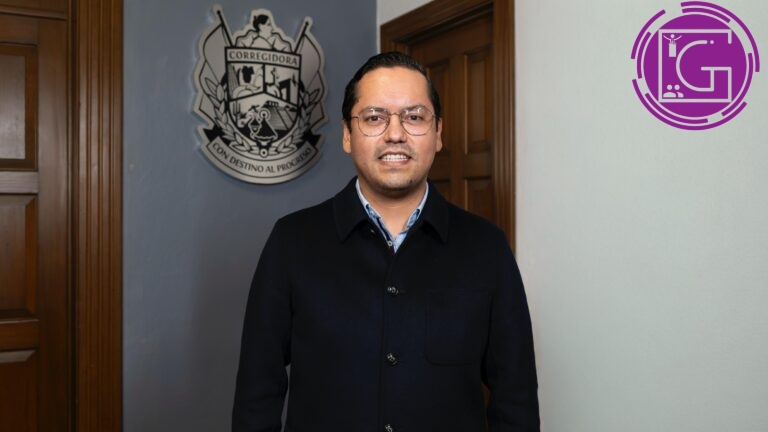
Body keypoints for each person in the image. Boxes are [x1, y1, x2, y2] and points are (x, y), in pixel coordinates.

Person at [232, 51, 540, 431]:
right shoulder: (291, 242)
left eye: (414, 117)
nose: (395, 134)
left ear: (439, 134)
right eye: (374, 117)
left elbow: (516, 402)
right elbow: (257, 395)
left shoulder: (487, 248)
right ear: (347, 135)